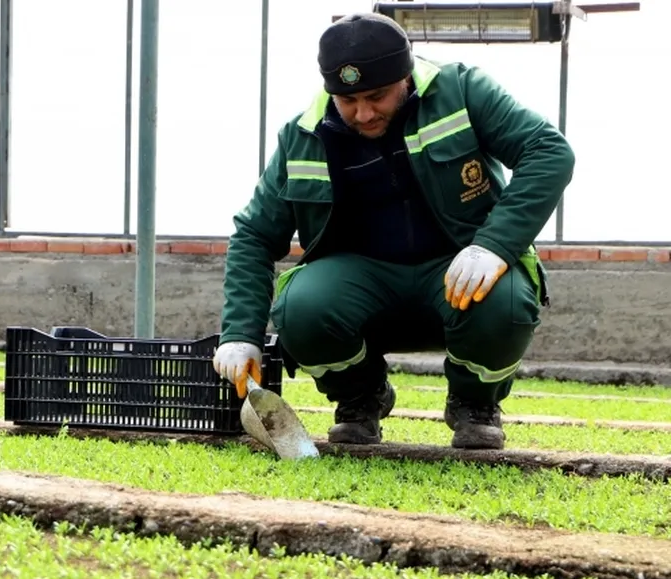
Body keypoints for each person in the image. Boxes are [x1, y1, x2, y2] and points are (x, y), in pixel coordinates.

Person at [212, 13, 574, 450]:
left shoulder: (462, 91)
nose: (363, 113)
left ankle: (474, 404)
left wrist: (494, 246)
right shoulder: (302, 135)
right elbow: (254, 234)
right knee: (301, 307)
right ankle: (361, 398)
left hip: (457, 271)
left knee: (506, 300)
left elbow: (548, 151)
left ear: (405, 78)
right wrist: (239, 334)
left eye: (376, 96)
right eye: (347, 100)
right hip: (362, 283)